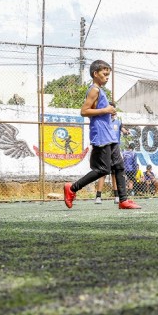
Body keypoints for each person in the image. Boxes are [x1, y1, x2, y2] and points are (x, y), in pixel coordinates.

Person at [64, 60, 141, 209]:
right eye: (105, 74)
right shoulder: (94, 90)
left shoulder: (101, 90)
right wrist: (106, 110)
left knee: (119, 166)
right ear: (95, 74)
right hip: (101, 135)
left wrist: (109, 111)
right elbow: (84, 111)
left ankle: (123, 200)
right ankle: (72, 188)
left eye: (108, 75)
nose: (107, 77)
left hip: (110, 136)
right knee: (103, 170)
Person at [94, 112, 127, 204]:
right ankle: (98, 196)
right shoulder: (103, 122)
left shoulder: (118, 122)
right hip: (105, 150)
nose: (113, 113)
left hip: (115, 151)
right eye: (111, 110)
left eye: (114, 111)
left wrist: (125, 132)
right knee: (103, 173)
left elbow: (123, 129)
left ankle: (116, 196)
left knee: (114, 173)